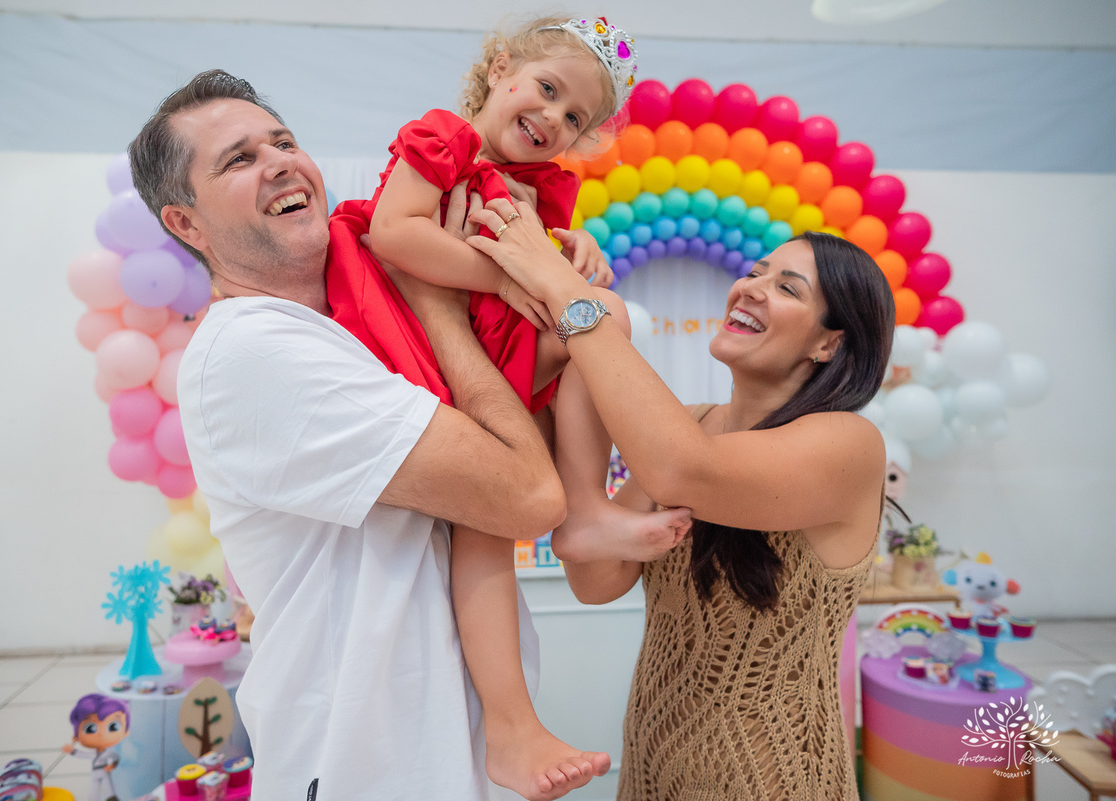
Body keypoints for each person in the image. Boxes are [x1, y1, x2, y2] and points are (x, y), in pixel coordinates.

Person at [128, 70, 596, 800]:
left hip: (442, 749)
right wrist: (439, 305)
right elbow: (527, 495)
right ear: (185, 224)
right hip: (368, 763)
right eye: (239, 159)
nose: (280, 160)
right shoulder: (256, 349)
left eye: (282, 140)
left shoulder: (352, 317)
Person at [426, 195, 893, 800]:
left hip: (774, 780)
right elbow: (596, 582)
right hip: (654, 765)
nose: (750, 288)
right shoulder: (691, 425)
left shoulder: (849, 445)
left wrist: (561, 283)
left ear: (828, 345)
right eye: (755, 273)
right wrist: (587, 503)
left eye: (787, 288)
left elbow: (683, 472)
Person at [324, 16, 685, 799]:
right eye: (548, 90)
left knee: (603, 326)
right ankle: (516, 715)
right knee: (488, 514)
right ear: (500, 68)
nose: (554, 120)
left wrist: (571, 253)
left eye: (574, 119)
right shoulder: (444, 139)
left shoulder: (545, 187)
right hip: (421, 334)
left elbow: (541, 258)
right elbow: (394, 234)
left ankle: (581, 516)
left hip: (492, 350)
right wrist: (511, 275)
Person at [62, 694, 130, 801]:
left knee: (109, 791)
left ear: (126, 731)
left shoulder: (110, 753)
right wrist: (72, 751)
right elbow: (84, 755)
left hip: (104, 771)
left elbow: (114, 757)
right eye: (90, 729)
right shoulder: (94, 754)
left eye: (113, 727)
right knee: (95, 791)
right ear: (77, 736)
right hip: (96, 773)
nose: (101, 734)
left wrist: (112, 765)